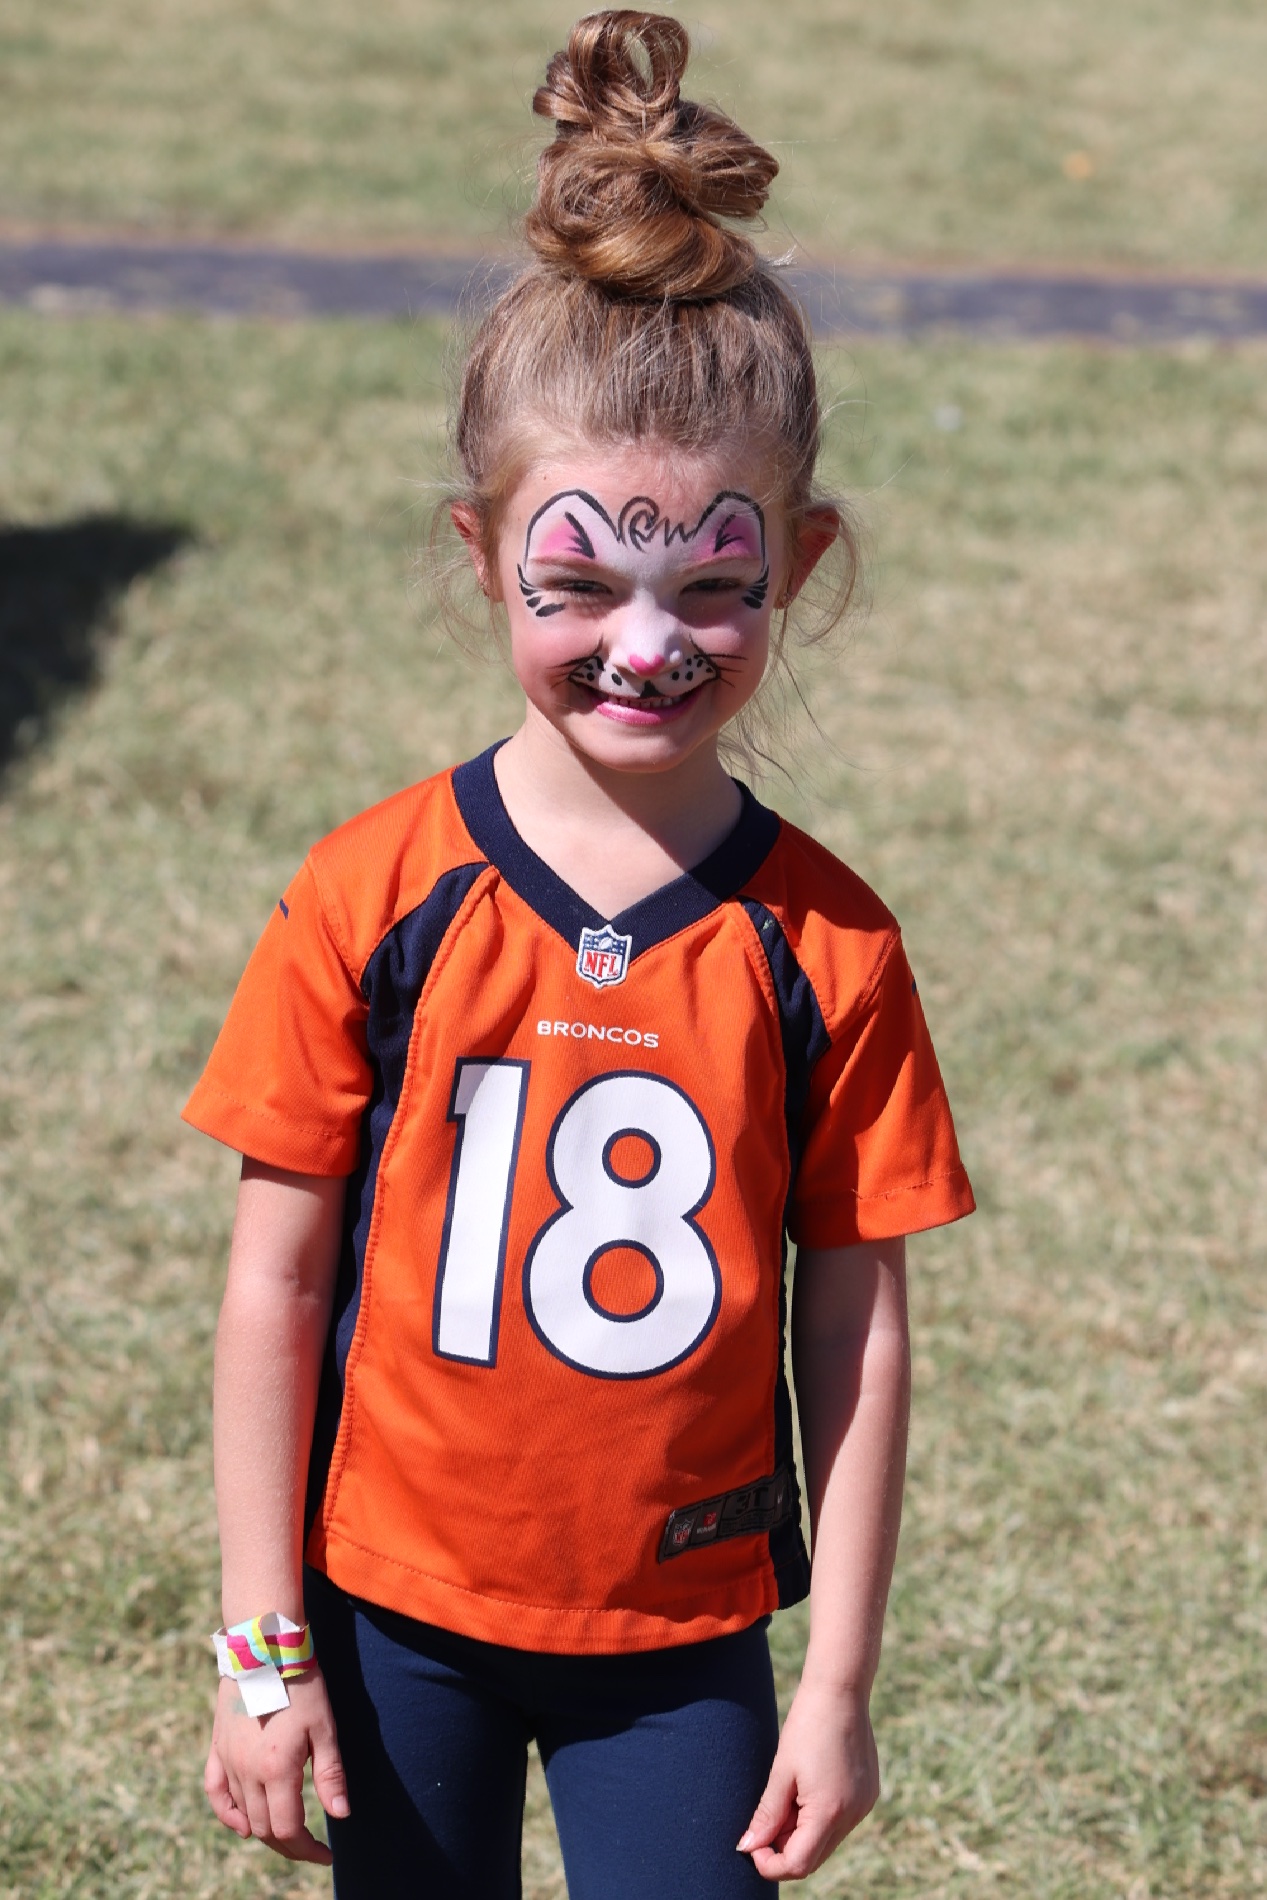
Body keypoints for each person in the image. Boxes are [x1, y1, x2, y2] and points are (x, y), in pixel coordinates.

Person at [185, 12, 975, 1896]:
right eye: (578, 581)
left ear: (800, 562)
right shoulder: (372, 893)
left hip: (685, 1646)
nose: (647, 644)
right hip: (389, 1621)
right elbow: (275, 1286)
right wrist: (261, 1647)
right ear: (482, 555)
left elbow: (857, 1323)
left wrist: (839, 1683)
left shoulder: (830, 945)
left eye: (713, 584)